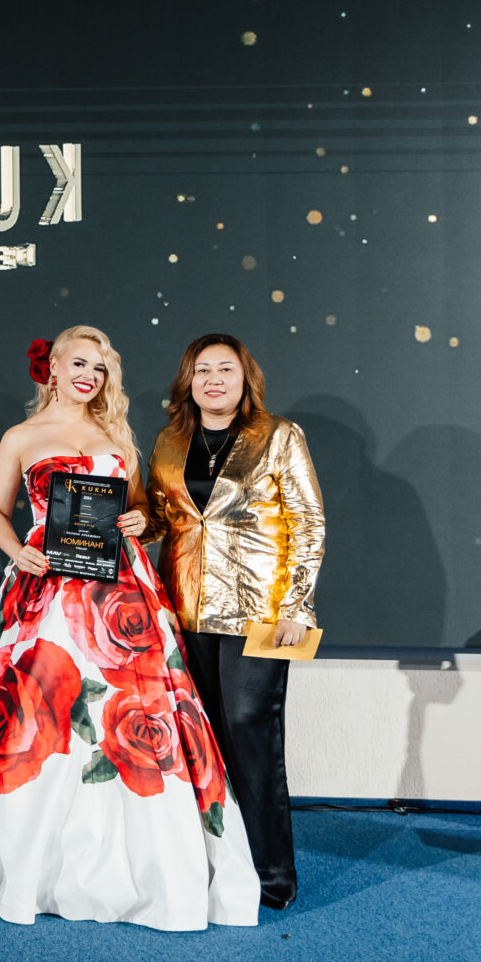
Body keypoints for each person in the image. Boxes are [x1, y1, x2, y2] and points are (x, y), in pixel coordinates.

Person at [0, 327, 259, 930]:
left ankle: (136, 864)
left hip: (120, 586)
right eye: (80, 364)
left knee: (127, 712)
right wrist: (17, 550)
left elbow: (138, 509)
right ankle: (18, 855)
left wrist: (138, 519)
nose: (90, 376)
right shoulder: (21, 437)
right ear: (54, 369)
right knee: (37, 711)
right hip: (44, 587)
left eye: (100, 367)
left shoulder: (118, 436)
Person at [145, 333, 324, 910]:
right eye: (202, 370)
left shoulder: (279, 435)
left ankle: (272, 875)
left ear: (246, 378)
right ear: (188, 381)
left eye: (225, 369)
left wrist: (298, 607)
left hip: (264, 613)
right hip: (184, 612)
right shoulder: (170, 442)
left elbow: (308, 523)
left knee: (252, 733)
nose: (213, 379)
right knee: (200, 741)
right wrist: (129, 523)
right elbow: (163, 520)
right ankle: (211, 868)